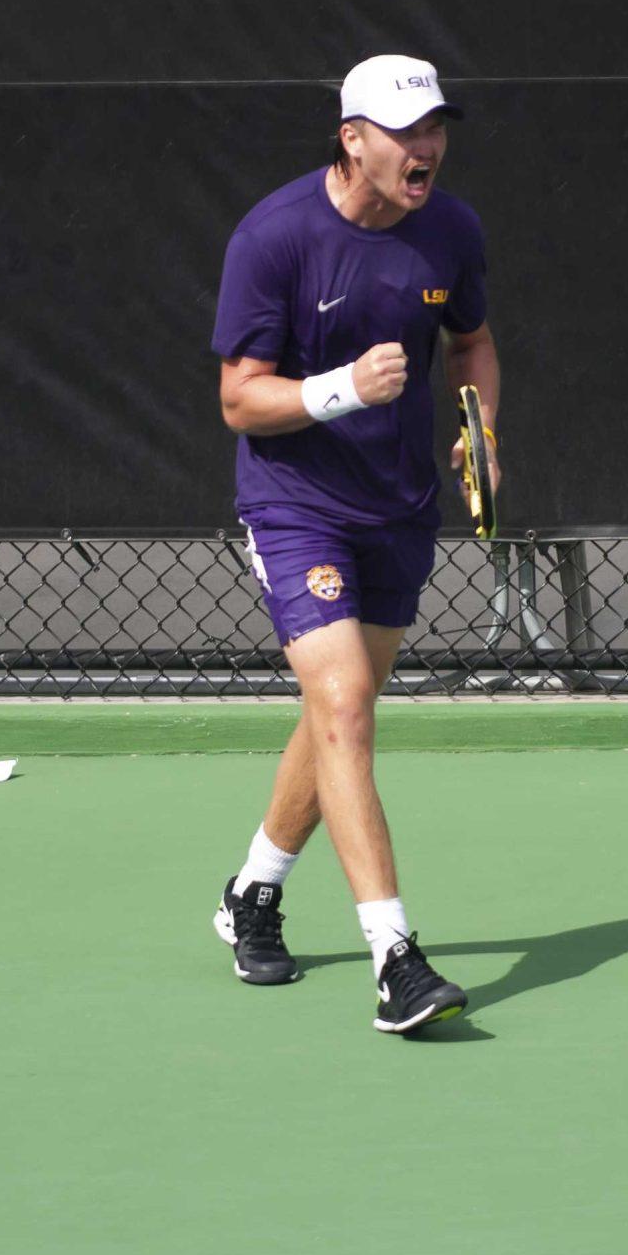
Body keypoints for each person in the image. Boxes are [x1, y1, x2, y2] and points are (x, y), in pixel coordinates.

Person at [206, 54, 502, 1035]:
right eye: (403, 133)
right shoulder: (275, 237)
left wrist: (481, 431)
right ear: (352, 139)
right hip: (297, 504)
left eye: (434, 130)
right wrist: (340, 388)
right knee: (340, 703)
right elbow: (238, 400)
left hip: (398, 503)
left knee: (341, 712)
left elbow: (471, 345)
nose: (425, 150)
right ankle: (396, 959)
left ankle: (252, 890)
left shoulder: (449, 231)